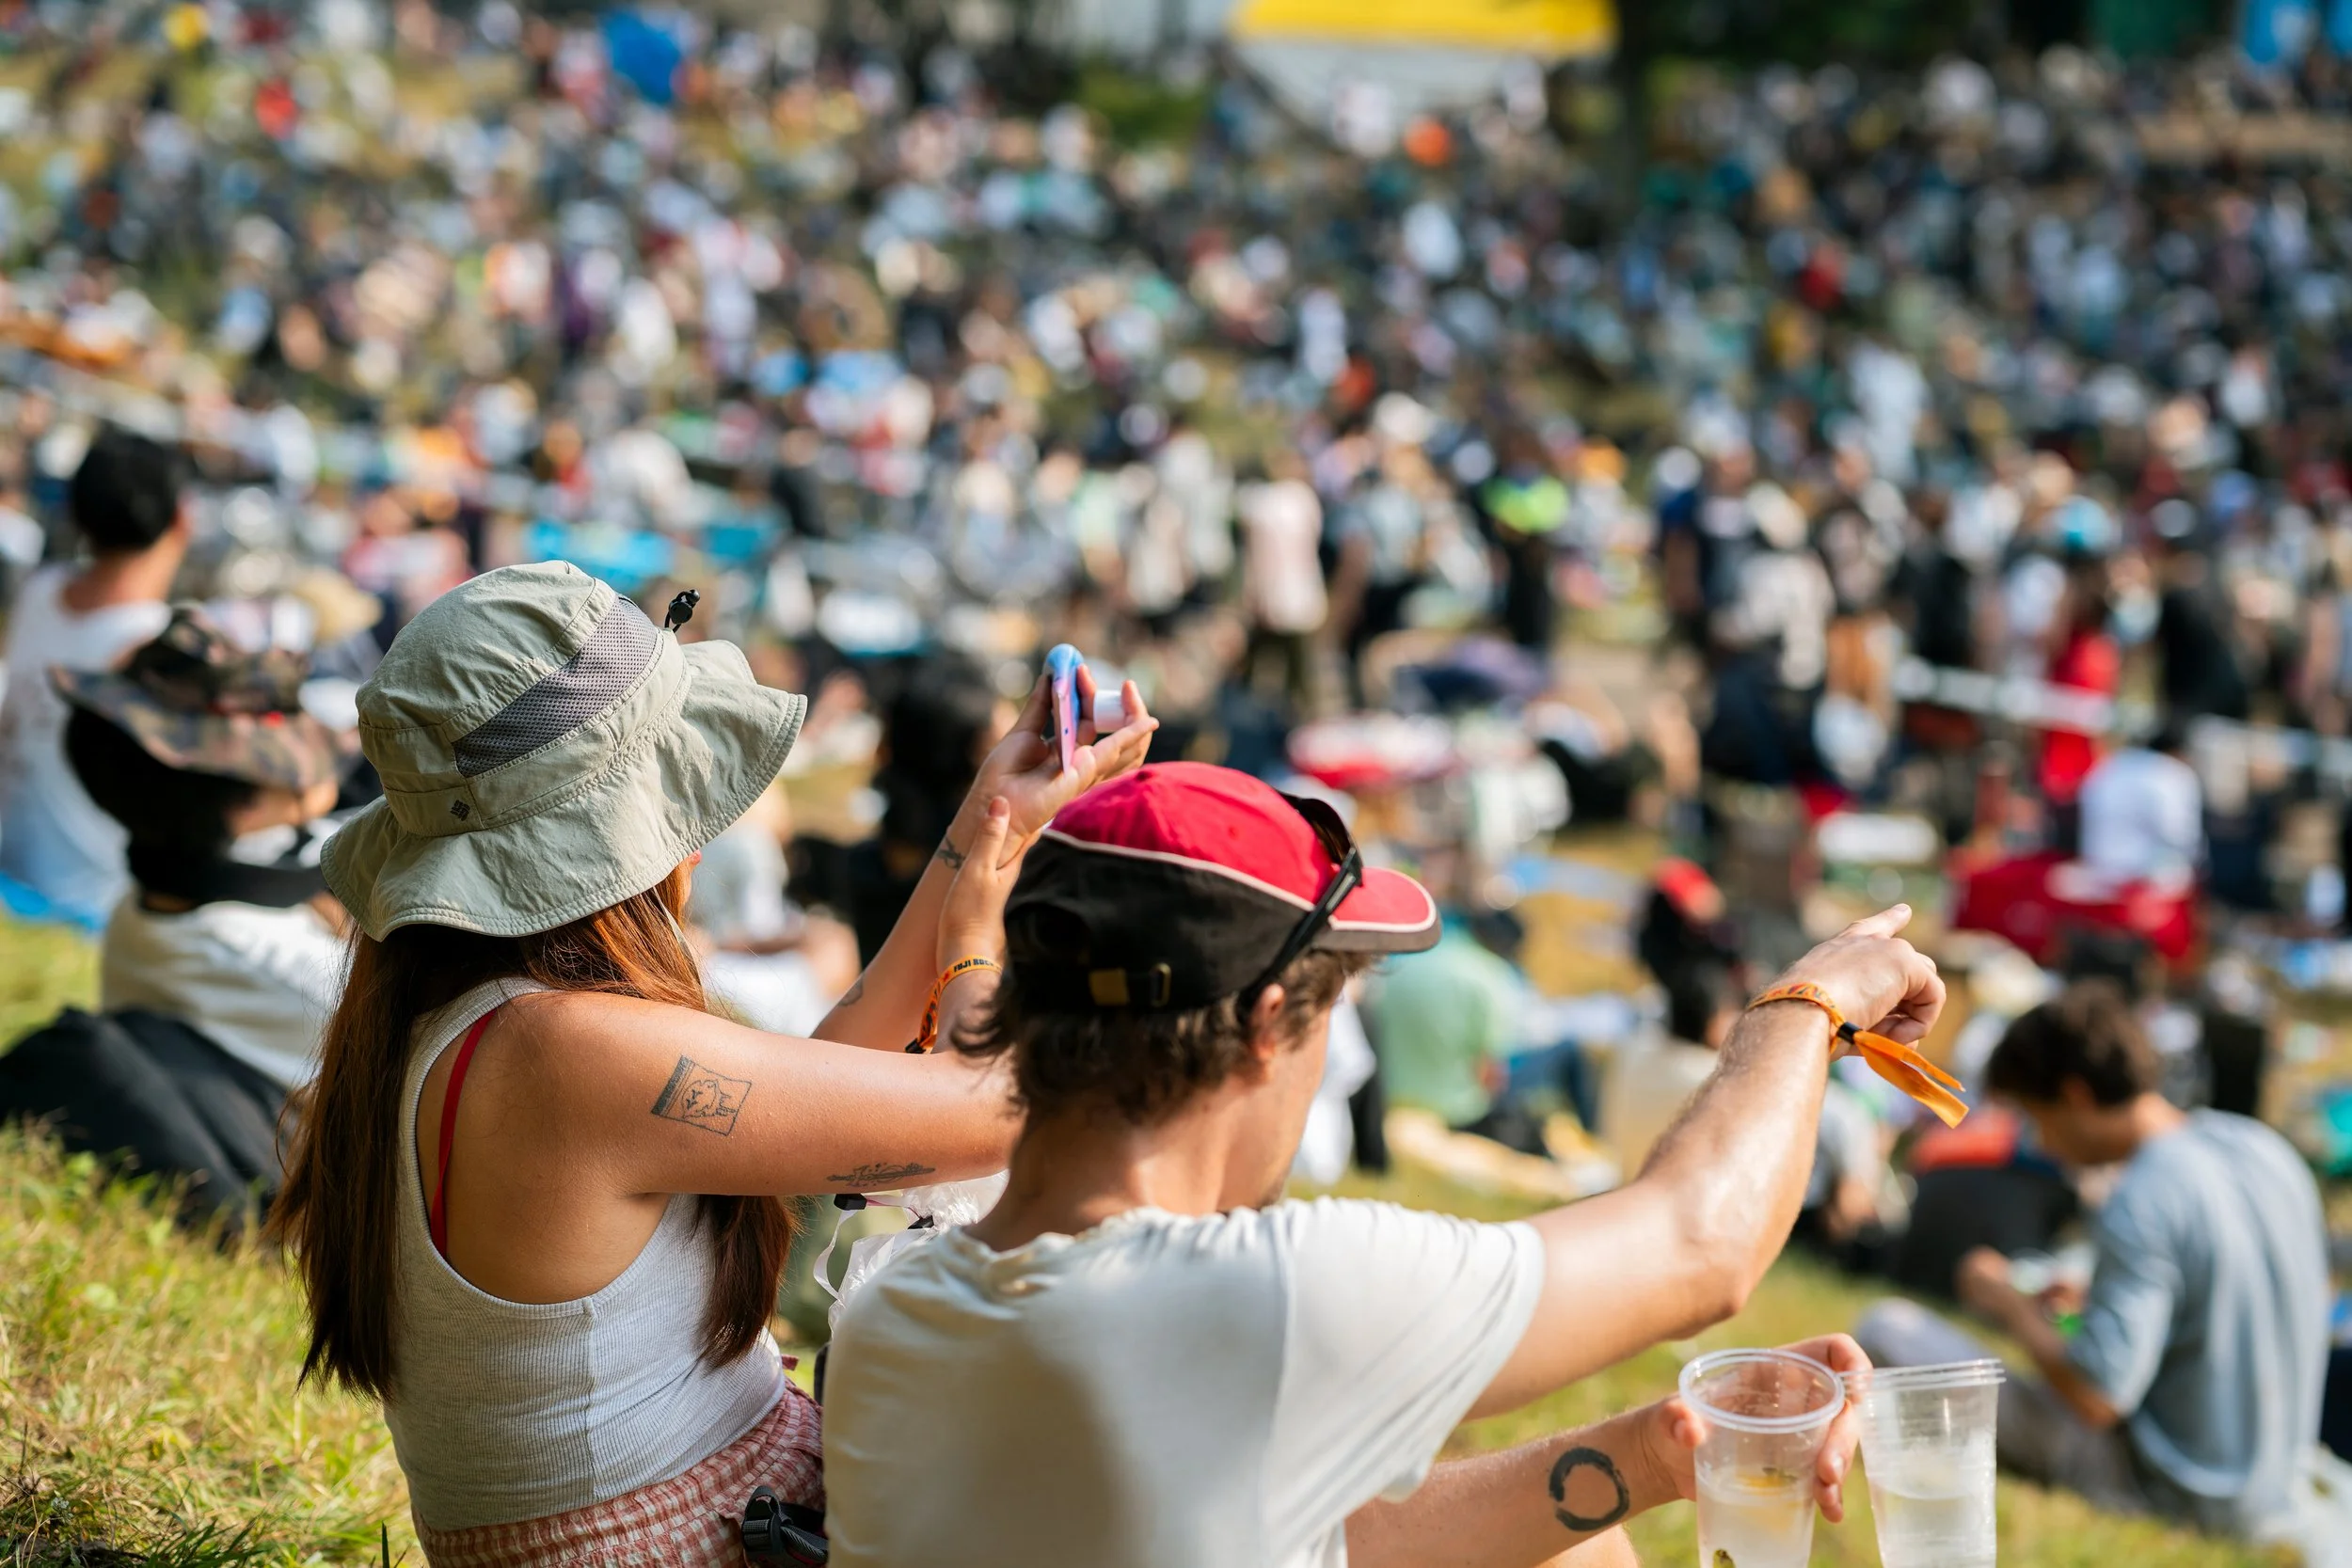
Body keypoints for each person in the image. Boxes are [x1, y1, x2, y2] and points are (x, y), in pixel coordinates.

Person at [822, 760, 1947, 1568]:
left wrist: (1653, 1453)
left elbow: (1316, 1538)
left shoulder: (889, 1313)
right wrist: (1810, 1002)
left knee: (1573, 1540)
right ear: (1269, 1026)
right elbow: (1701, 1243)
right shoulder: (1256, 1295)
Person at [265, 562, 1156, 1563]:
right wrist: (980, 924)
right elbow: (997, 1105)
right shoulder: (567, 1050)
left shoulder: (472, 1016)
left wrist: (980, 828)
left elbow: (827, 1073)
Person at [1859, 981, 2332, 1548]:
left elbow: (2097, 1396)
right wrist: (2092, 1302)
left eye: (2036, 1119)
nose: (2042, 1143)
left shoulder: (2144, 1195)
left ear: (2076, 1096)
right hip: (2274, 1482)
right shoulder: (2261, 1148)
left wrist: (2007, 1302)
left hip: (2177, 1492)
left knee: (1887, 1330)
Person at [0, 425, 184, 923]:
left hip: (9, 865)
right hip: (84, 906)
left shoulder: (41, 590)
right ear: (181, 520)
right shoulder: (159, 646)